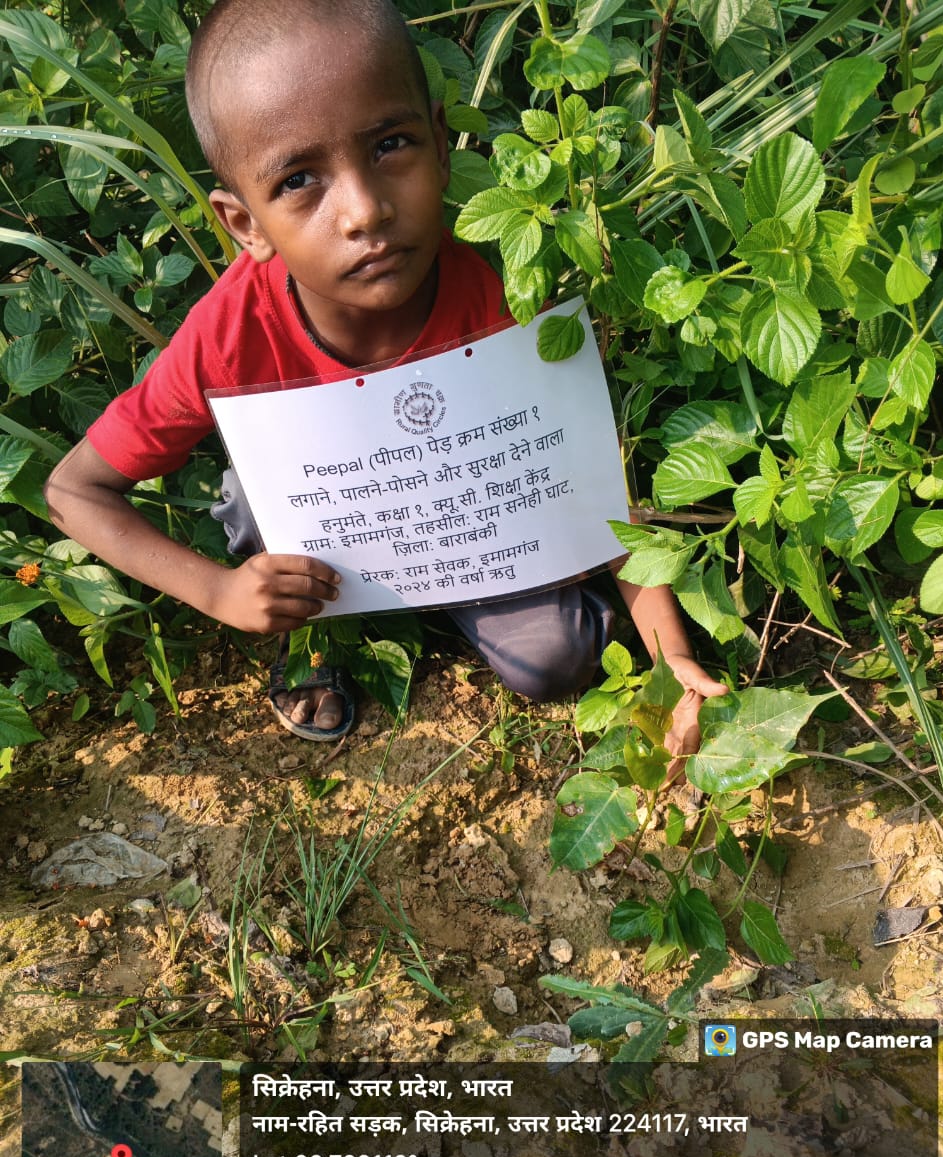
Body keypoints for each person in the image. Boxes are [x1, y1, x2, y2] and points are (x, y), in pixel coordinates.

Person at [44, 0, 726, 763]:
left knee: (556, 659)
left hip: (477, 519)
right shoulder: (231, 335)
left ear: (440, 141)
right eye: (300, 180)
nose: (365, 210)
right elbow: (75, 491)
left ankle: (443, 599)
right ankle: (319, 639)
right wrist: (221, 594)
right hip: (323, 557)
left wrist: (673, 663)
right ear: (245, 225)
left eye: (390, 144)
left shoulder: (510, 290)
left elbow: (588, 493)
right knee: (255, 495)